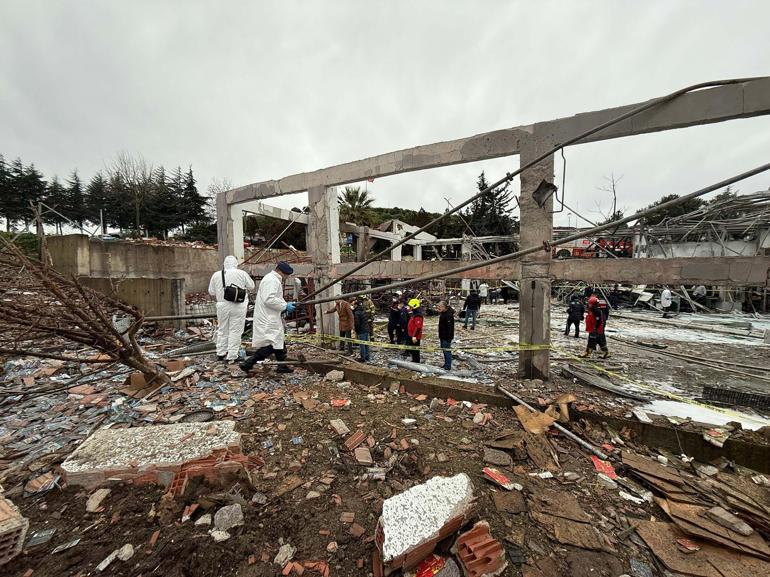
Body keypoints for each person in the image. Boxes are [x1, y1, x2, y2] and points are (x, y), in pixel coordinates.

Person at [239, 261, 297, 374]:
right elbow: (269, 299)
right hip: (268, 318)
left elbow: (274, 298)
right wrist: (285, 306)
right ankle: (248, 363)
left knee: (278, 340)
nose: (286, 278)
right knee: (272, 343)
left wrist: (285, 304)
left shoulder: (272, 279)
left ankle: (282, 366)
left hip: (270, 315)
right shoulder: (272, 280)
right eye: (286, 275)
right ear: (281, 272)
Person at [208, 255, 255, 362]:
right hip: (238, 305)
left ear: (224, 264)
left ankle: (220, 353)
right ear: (236, 264)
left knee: (222, 329)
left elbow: (211, 291)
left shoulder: (216, 275)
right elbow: (251, 286)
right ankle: (232, 355)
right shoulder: (241, 273)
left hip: (222, 305)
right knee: (235, 330)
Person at [437, 300, 455, 370]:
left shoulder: (448, 315)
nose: (438, 308)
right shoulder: (443, 313)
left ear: (444, 307)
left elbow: (450, 328)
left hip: (446, 337)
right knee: (444, 351)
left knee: (447, 351)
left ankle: (448, 366)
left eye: (439, 307)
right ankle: (446, 364)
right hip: (442, 335)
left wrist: (448, 338)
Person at [406, 298, 424, 363]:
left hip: (415, 336)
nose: (409, 307)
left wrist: (414, 336)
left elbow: (418, 327)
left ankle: (416, 361)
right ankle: (414, 360)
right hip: (412, 335)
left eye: (410, 306)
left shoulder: (418, 315)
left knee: (415, 350)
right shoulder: (414, 313)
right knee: (413, 349)